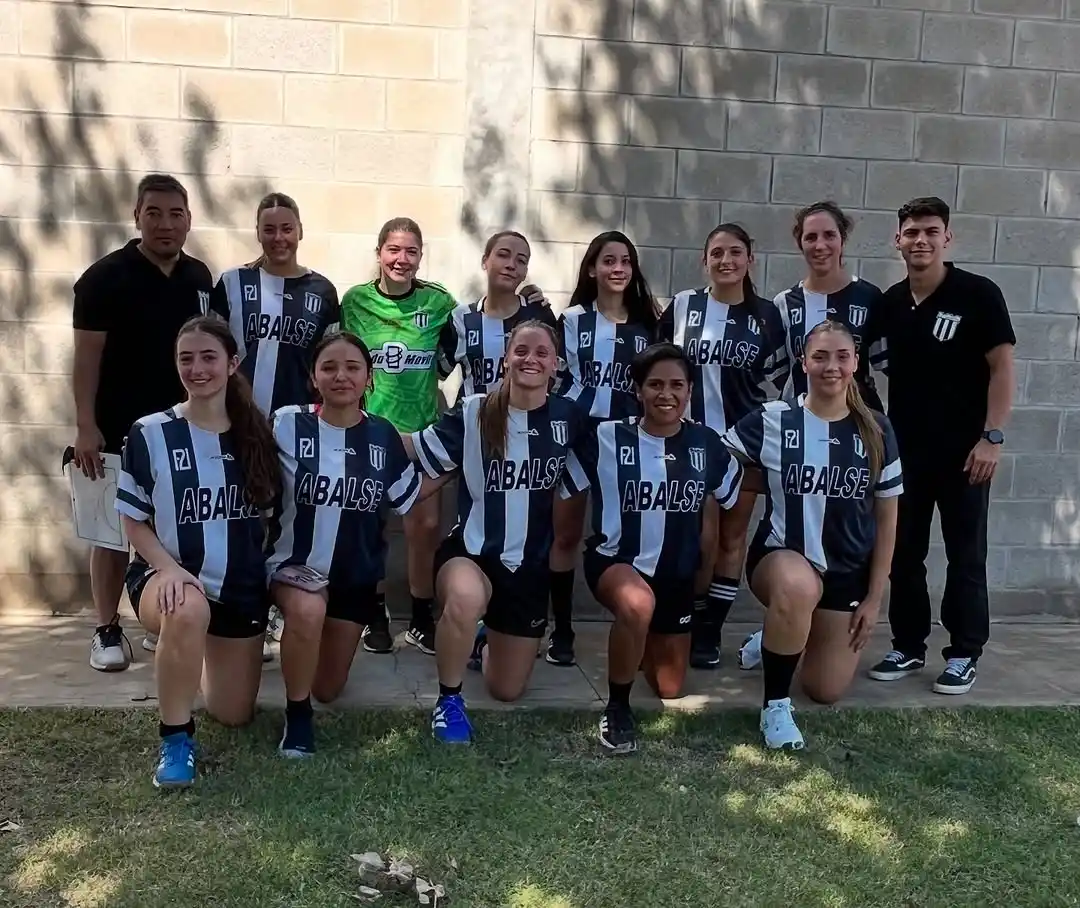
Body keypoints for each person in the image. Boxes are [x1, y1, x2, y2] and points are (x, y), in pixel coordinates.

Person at [115, 316, 281, 788]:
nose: (197, 368)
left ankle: (190, 650)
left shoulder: (256, 432)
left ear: (232, 364)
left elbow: (268, 518)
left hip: (238, 589)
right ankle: (175, 737)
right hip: (166, 576)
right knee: (186, 607)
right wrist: (167, 568)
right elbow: (133, 517)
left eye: (209, 357)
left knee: (233, 713)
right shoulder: (151, 432)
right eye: (186, 358)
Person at [722, 320, 903, 750]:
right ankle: (776, 706)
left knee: (825, 690)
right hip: (783, 559)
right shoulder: (773, 420)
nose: (831, 366)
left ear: (856, 362)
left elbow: (888, 518)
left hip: (846, 573)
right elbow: (714, 456)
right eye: (820, 356)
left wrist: (875, 599)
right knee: (797, 586)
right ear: (803, 362)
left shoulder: (876, 429)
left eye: (842, 356)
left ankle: (775, 636)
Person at [266, 333, 448, 757]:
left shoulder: (382, 435)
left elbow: (407, 494)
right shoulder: (287, 423)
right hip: (294, 566)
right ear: (313, 376)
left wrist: (461, 463)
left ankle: (304, 657)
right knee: (308, 609)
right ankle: (297, 718)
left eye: (352, 367)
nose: (341, 375)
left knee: (328, 688)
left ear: (369, 378)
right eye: (329, 367)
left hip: (354, 578)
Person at [406, 320, 587, 745]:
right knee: (465, 597)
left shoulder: (570, 417)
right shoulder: (474, 411)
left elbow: (585, 479)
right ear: (506, 358)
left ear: (555, 365)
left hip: (527, 566)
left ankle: (482, 640)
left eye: (542, 353)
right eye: (521, 350)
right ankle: (448, 702)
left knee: (506, 690)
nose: (531, 359)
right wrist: (353, 431)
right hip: (470, 551)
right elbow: (418, 451)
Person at [864, 197, 1015, 695]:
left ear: (947, 237)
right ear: (898, 240)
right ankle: (908, 645)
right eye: (911, 232)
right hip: (907, 454)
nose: (921, 240)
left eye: (931, 231)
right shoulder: (890, 302)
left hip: (966, 454)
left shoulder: (977, 294)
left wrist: (992, 438)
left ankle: (965, 652)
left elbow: (1002, 369)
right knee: (904, 554)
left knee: (965, 554)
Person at [562, 343, 743, 754]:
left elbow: (729, 501)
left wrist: (708, 569)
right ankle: (617, 706)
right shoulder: (607, 437)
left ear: (690, 390)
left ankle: (637, 641)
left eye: (677, 385)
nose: (667, 394)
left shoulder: (706, 443)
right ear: (638, 390)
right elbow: (564, 486)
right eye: (655, 384)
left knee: (670, 686)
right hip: (616, 561)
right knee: (637, 604)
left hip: (676, 575)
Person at [72, 173, 218, 672]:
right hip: (115, 429)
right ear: (136, 216)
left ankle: (162, 622)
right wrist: (85, 426)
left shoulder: (200, 278)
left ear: (189, 220)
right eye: (153, 213)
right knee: (111, 533)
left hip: (178, 433)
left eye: (175, 214)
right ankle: (106, 630)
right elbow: (86, 360)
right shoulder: (102, 279)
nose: (165, 224)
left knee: (172, 530)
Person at [738, 201, 885, 670]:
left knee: (848, 529)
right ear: (799, 243)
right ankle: (786, 614)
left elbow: (889, 368)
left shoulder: (870, 298)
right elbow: (773, 370)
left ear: (843, 239)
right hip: (801, 433)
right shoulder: (785, 304)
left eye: (829, 236)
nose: (820, 245)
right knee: (793, 529)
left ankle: (795, 625)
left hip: (853, 430)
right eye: (810, 237)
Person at [658, 224, 789, 670]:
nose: (726, 260)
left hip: (744, 444)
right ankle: (684, 618)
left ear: (751, 258)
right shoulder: (683, 306)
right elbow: (658, 365)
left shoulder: (769, 315)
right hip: (687, 443)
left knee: (731, 538)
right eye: (717, 253)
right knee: (698, 538)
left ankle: (709, 630)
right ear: (705, 259)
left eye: (735, 252)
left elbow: (780, 381)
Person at [339, 218, 458, 657]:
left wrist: (529, 302)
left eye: (410, 251)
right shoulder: (354, 301)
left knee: (423, 527)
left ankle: (422, 616)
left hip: (423, 430)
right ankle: (375, 613)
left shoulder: (440, 301)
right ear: (378, 252)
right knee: (370, 527)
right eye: (393, 249)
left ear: (420, 255)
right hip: (369, 430)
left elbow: (479, 331)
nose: (401, 259)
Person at [548, 231, 660, 668]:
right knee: (566, 533)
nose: (617, 268)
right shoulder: (572, 319)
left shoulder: (650, 323)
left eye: (625, 261)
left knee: (628, 535)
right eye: (608, 260)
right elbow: (556, 380)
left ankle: (637, 620)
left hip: (629, 443)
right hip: (579, 438)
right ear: (592, 268)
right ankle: (561, 628)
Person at [211, 192, 340, 417]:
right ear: (258, 233)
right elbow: (210, 352)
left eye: (287, 229)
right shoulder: (233, 282)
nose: (278, 237)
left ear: (300, 231)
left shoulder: (323, 291)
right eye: (269, 229)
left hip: (299, 420)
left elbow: (330, 361)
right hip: (237, 418)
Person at [437, 230, 556, 399]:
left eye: (520, 260)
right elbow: (435, 375)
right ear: (484, 261)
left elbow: (556, 378)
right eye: (503, 255)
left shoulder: (540, 315)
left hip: (526, 423)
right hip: (473, 422)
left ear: (524, 273)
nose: (511, 265)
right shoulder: (460, 319)